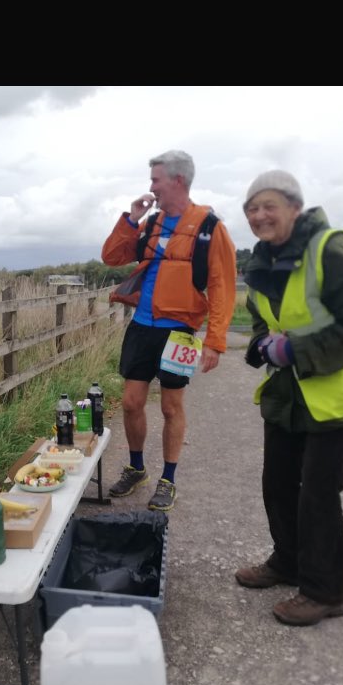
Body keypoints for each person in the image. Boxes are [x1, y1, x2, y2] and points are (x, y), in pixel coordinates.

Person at [235, 170, 343, 626]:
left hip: (335, 397)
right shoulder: (263, 261)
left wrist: (295, 349)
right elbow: (261, 315)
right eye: (252, 209)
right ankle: (287, 562)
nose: (260, 216)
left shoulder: (330, 249)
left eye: (269, 206)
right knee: (278, 484)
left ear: (294, 209)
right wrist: (263, 343)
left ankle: (326, 591)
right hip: (287, 393)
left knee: (318, 495)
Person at [101, 149, 237, 511]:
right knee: (131, 402)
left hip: (180, 331)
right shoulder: (150, 223)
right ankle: (136, 468)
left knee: (172, 406)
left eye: (156, 180)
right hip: (142, 326)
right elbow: (112, 257)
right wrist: (131, 219)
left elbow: (222, 286)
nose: (151, 187)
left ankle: (168, 479)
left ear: (177, 180)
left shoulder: (211, 228)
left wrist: (216, 340)